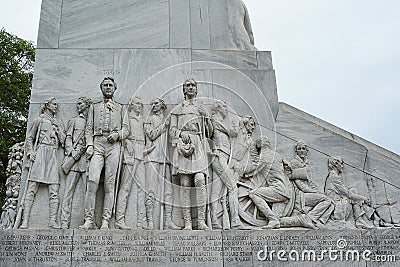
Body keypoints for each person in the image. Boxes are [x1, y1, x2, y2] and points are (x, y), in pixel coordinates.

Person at [80, 77, 128, 230]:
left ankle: (106, 220)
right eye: (105, 85)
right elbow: (88, 129)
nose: (108, 88)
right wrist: (89, 145)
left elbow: (126, 129)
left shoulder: (121, 108)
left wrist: (118, 135)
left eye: (110, 85)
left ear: (115, 88)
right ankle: (88, 219)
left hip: (113, 145)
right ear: (101, 88)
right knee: (92, 181)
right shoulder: (94, 107)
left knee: (109, 184)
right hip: (98, 143)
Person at [169, 79, 213, 230]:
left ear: (196, 89)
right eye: (187, 85)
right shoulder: (177, 109)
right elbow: (172, 131)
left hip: (198, 143)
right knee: (185, 184)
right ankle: (188, 222)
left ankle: (201, 221)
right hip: (183, 145)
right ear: (184, 89)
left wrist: (206, 117)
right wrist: (181, 133)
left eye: (193, 85)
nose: (190, 87)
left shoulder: (201, 108)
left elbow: (210, 131)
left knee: (200, 180)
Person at [20, 97, 66, 229]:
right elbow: (30, 138)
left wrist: (58, 130)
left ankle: (52, 220)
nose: (56, 106)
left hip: (52, 153)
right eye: (54, 104)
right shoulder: (39, 120)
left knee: (54, 189)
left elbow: (63, 141)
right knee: (31, 188)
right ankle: (25, 220)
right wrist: (30, 153)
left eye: (57, 104)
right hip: (41, 152)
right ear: (47, 105)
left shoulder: (58, 122)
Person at [210, 100, 247, 229]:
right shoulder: (214, 120)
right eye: (224, 106)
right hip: (219, 156)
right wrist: (237, 121)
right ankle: (235, 220)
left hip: (221, 157)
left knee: (215, 191)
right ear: (218, 108)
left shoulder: (218, 122)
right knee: (232, 188)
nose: (226, 109)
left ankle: (213, 219)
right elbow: (233, 132)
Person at [144, 98, 180, 230]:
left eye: (156, 103)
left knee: (168, 191)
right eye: (152, 103)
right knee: (151, 190)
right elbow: (151, 134)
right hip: (152, 158)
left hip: (165, 159)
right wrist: (164, 126)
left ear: (162, 105)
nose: (153, 106)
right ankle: (149, 221)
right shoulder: (149, 119)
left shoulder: (169, 121)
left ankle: (168, 221)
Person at [244, 136, 294, 229]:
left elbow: (252, 171)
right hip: (285, 188)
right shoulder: (277, 155)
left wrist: (239, 168)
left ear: (259, 145)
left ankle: (273, 219)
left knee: (253, 194)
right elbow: (287, 165)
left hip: (278, 190)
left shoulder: (264, 157)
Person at [282, 142, 334, 228]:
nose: (301, 151)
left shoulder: (306, 163)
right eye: (299, 149)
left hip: (307, 193)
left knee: (331, 204)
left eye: (303, 149)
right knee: (326, 200)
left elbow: (311, 182)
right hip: (299, 195)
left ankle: (320, 221)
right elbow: (301, 185)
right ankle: (309, 218)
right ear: (296, 151)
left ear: (307, 151)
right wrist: (315, 192)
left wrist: (317, 191)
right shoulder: (294, 163)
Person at [60, 97, 92, 229]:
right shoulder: (74, 121)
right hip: (74, 161)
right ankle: (64, 221)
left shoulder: (92, 123)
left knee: (88, 192)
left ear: (87, 105)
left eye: (81, 103)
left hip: (86, 160)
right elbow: (68, 138)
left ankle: (88, 220)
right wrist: (71, 152)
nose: (78, 105)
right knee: (68, 192)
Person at [115, 96, 146, 230]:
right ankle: (119, 219)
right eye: (136, 103)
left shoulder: (142, 119)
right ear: (131, 105)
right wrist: (126, 141)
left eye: (140, 103)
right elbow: (121, 133)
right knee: (125, 187)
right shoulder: (126, 117)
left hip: (141, 154)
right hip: (130, 154)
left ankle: (141, 221)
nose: (139, 105)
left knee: (142, 188)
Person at [325, 156, 375, 229]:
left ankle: (361, 220)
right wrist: (363, 198)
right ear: (336, 164)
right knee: (353, 197)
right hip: (336, 208)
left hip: (338, 204)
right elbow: (348, 194)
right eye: (341, 164)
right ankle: (362, 220)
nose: (342, 166)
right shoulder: (333, 177)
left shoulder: (334, 176)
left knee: (353, 191)